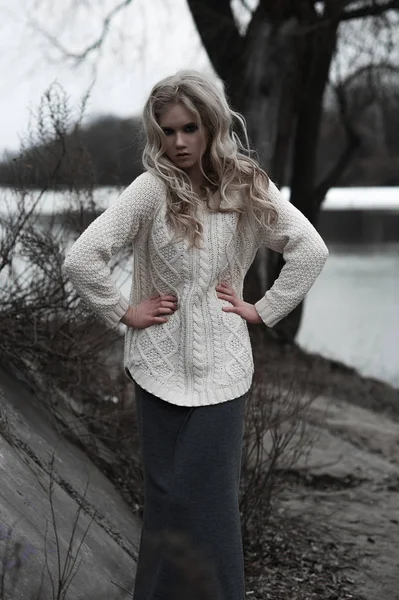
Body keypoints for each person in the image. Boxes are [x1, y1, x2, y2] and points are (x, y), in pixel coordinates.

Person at [63, 69, 329, 600]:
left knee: (206, 504)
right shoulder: (149, 190)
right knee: (166, 502)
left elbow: (309, 249)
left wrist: (263, 310)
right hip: (156, 368)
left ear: (210, 125)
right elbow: (82, 258)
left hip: (224, 373)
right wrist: (123, 311)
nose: (178, 142)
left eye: (189, 128)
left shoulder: (247, 185)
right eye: (167, 131)